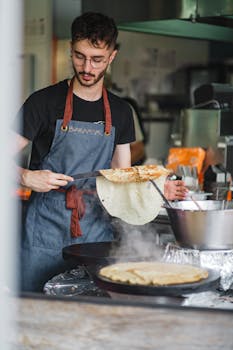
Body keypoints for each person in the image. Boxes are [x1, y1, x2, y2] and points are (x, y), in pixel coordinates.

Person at [14, 12, 187, 292]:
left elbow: (124, 179)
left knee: (90, 316)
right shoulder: (42, 103)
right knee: (36, 316)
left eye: (97, 59)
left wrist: (156, 190)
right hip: (44, 233)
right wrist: (25, 178)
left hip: (95, 234)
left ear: (112, 56)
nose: (87, 67)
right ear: (71, 49)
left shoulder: (120, 112)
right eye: (80, 56)